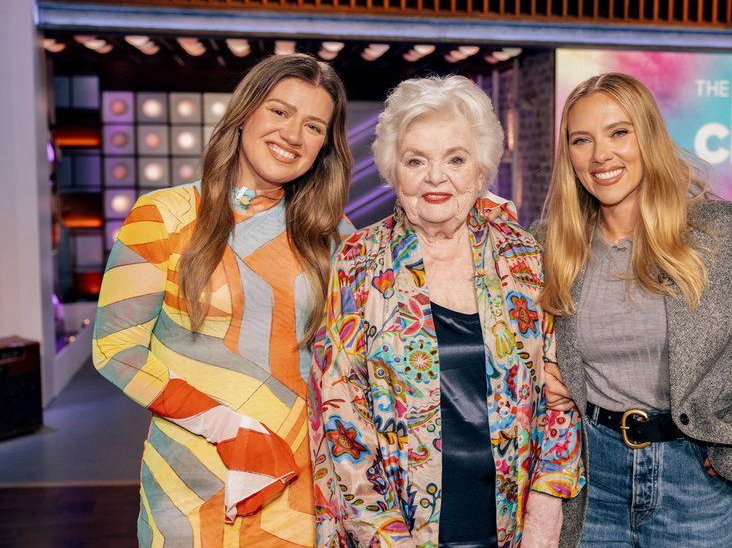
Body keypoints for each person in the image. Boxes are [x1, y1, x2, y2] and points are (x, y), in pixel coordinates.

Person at [534, 73, 732, 547]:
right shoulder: (548, 244)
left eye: (618, 132)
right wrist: (536, 373)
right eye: (582, 140)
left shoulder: (723, 232)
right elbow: (499, 337)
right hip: (588, 481)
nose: (600, 154)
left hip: (694, 484)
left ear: (648, 136)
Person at [308, 75, 585, 548]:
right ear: (394, 170)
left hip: (514, 523)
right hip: (396, 528)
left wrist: (545, 509)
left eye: (455, 159)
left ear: (481, 169)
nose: (436, 177)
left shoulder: (523, 256)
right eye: (416, 160)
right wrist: (386, 538)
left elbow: (560, 396)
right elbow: (340, 417)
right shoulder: (358, 261)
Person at [93, 53, 354, 546]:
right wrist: (227, 427)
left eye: (314, 126)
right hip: (190, 479)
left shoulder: (334, 235)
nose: (293, 134)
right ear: (245, 111)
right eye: (280, 111)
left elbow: (353, 352)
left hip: (302, 482)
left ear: (325, 145)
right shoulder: (164, 216)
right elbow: (116, 349)